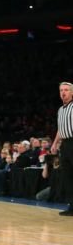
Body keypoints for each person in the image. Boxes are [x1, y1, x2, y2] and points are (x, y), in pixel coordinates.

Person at [51, 81, 73, 216]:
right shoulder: (60, 110)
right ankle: (72, 206)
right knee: (67, 176)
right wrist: (54, 143)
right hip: (65, 145)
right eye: (61, 90)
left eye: (66, 90)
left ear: (72, 92)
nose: (63, 92)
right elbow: (61, 129)